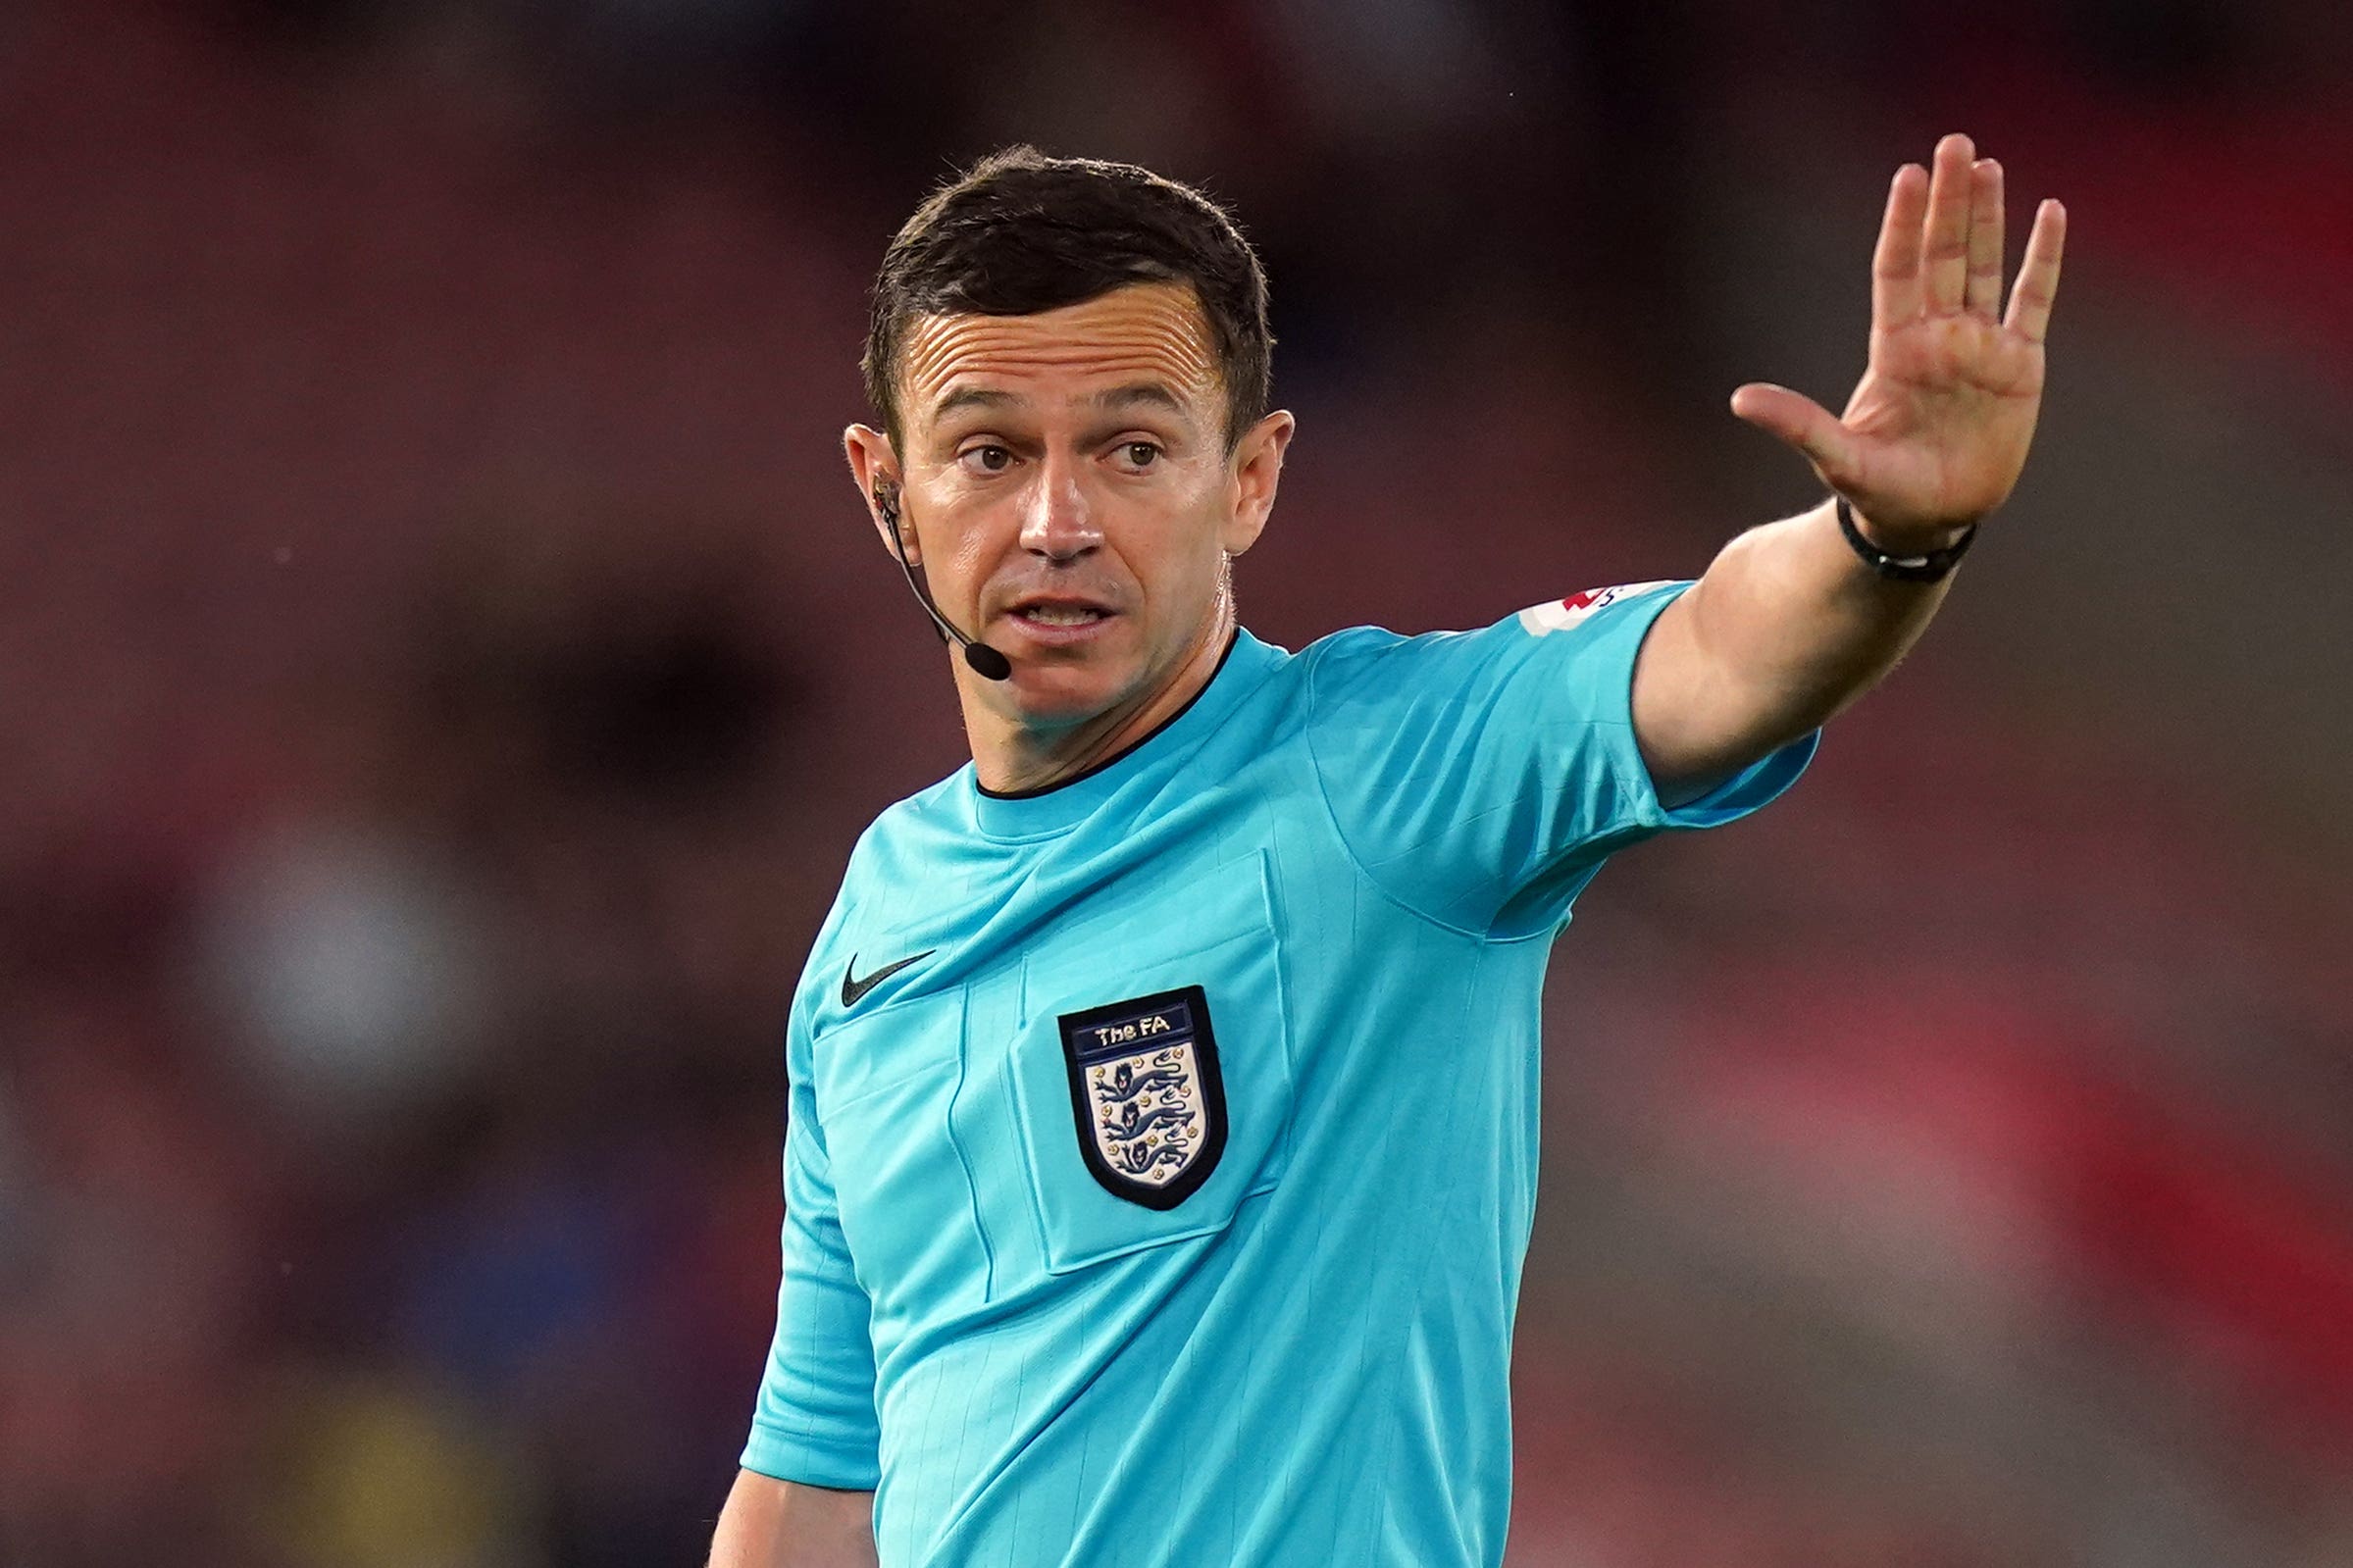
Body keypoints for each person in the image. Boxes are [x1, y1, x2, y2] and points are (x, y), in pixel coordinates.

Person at [708, 135, 2065, 1568]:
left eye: (1132, 449)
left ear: (1247, 480)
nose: (1057, 521)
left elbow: (1714, 657)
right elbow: (813, 1479)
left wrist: (1889, 537)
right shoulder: (873, 929)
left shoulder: (1385, 775)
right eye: (989, 453)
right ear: (886, 491)